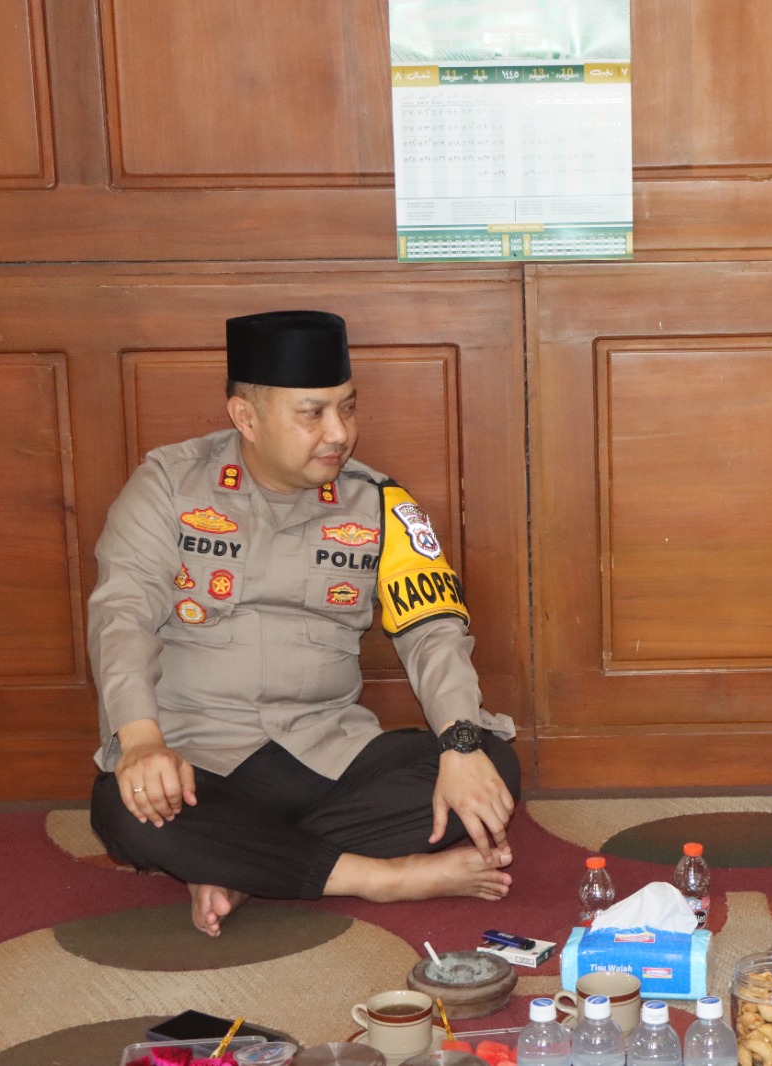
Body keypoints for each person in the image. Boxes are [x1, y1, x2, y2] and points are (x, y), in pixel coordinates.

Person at [87, 309, 521, 936]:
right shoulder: (167, 486)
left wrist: (459, 744)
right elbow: (122, 614)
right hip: (199, 757)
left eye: (348, 408)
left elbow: (433, 631)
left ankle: (241, 863)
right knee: (121, 808)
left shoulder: (380, 502)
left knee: (491, 764)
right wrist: (141, 741)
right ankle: (380, 878)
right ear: (246, 418)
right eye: (312, 414)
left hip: (327, 750)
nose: (338, 433)